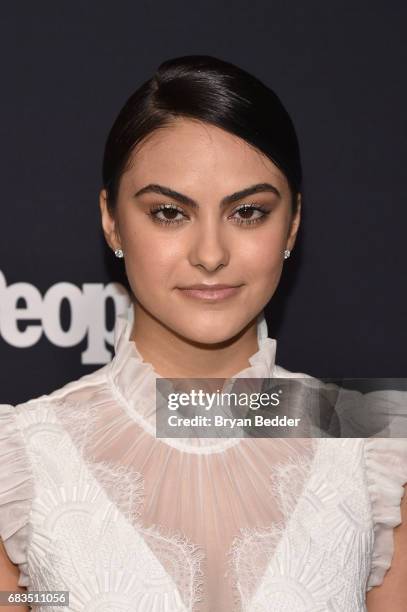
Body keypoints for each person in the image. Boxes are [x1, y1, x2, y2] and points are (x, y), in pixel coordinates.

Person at [0, 54, 406, 612]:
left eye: (248, 212)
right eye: (169, 212)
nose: (211, 254)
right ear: (111, 220)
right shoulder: (21, 459)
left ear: (292, 223)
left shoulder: (373, 446)